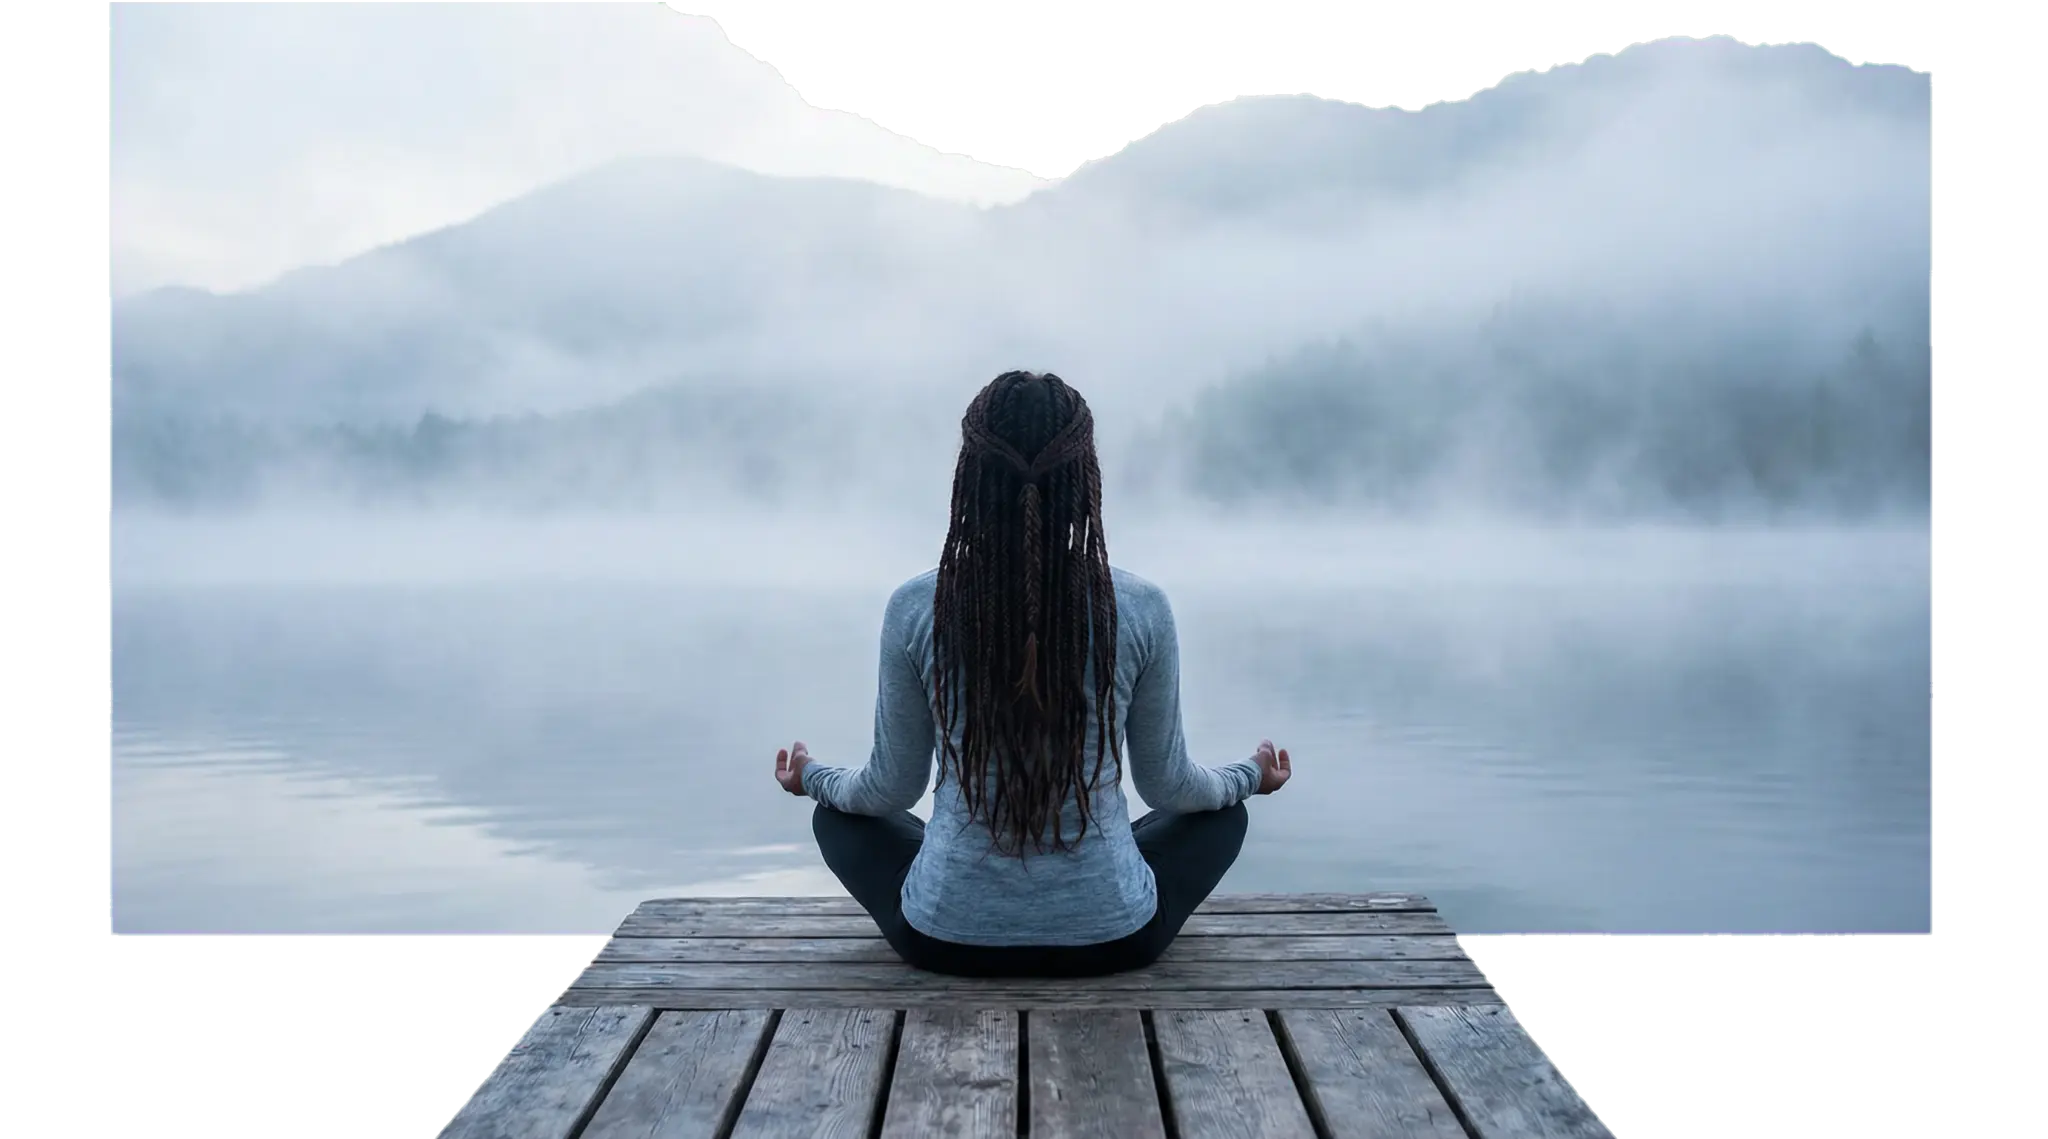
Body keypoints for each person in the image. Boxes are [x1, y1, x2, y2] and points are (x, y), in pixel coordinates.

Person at [772, 370, 1292, 978]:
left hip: (945, 937)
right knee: (1218, 815)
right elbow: (1171, 790)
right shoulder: (1141, 608)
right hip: (1115, 936)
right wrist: (1250, 776)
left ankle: (969, 890)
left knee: (839, 816)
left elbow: (888, 791)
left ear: (970, 477)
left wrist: (812, 778)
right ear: (1084, 480)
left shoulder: (917, 608)